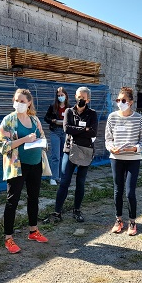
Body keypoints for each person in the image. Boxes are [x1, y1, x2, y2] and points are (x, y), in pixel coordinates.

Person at [0, 88, 49, 254]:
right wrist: (24, 140)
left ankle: (33, 231)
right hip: (17, 166)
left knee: (33, 198)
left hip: (35, 163)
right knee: (12, 200)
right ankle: (8, 238)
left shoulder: (34, 120)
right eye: (16, 100)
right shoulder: (9, 120)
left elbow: (42, 136)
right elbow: (3, 145)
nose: (18, 104)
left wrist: (41, 142)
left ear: (29, 103)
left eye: (22, 101)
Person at [47, 86, 98, 224]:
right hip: (69, 150)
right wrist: (84, 129)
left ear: (88, 99)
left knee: (80, 182)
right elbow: (66, 128)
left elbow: (93, 132)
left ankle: (77, 210)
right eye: (78, 96)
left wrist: (77, 130)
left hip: (85, 151)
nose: (79, 99)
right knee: (64, 182)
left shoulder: (92, 114)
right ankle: (57, 212)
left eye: (82, 97)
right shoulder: (69, 111)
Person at [105, 87, 142, 236]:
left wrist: (135, 149)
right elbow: (108, 139)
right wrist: (111, 148)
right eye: (118, 100)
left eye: (123, 100)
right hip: (116, 158)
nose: (120, 103)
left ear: (130, 102)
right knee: (118, 190)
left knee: (130, 192)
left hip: (133, 159)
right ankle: (118, 220)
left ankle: (132, 221)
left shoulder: (138, 118)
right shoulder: (112, 117)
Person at [44, 87, 70, 185]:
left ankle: (60, 176)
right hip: (55, 131)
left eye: (62, 95)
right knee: (55, 156)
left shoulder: (70, 108)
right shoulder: (53, 106)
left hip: (65, 132)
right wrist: (52, 121)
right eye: (58, 95)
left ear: (66, 96)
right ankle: (53, 177)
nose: (60, 97)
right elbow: (46, 118)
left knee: (63, 155)